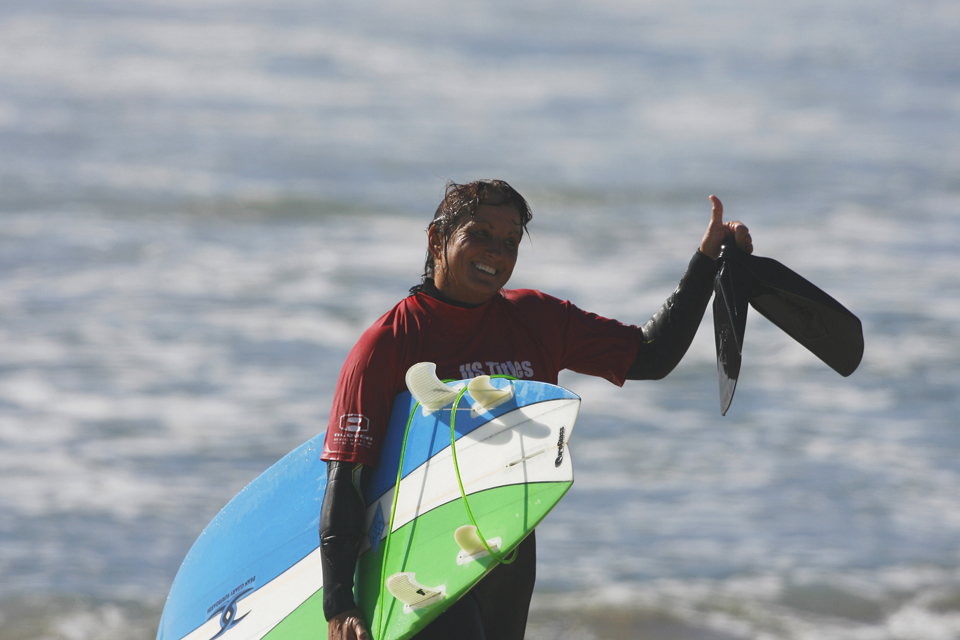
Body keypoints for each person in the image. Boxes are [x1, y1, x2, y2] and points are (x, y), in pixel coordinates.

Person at [319, 179, 752, 640]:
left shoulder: (537, 319)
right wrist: (339, 603)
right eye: (480, 234)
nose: (496, 253)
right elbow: (348, 477)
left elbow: (650, 354)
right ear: (436, 239)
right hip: (419, 558)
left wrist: (707, 263)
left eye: (510, 242)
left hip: (509, 553)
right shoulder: (390, 342)